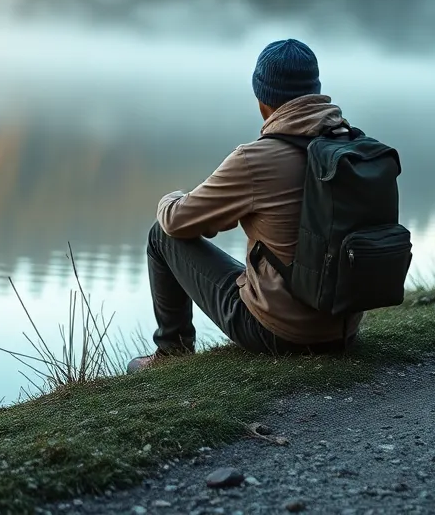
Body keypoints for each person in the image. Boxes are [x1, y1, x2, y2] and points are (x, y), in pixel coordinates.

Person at [127, 38, 362, 373]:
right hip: (344, 329)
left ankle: (170, 354)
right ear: (315, 92)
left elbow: (178, 222)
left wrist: (171, 197)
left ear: (262, 99)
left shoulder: (257, 159)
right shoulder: (351, 145)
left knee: (160, 235)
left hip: (279, 334)